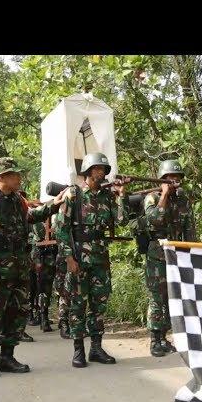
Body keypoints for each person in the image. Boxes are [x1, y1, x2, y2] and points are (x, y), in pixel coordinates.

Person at [0, 157, 65, 379]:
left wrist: (54, 205)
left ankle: (7, 357)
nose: (19, 178)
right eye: (15, 174)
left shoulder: (16, 201)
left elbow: (30, 216)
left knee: (16, 314)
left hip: (19, 270)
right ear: (1, 177)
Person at [55, 152, 129, 368]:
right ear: (87, 172)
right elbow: (61, 229)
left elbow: (122, 220)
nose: (101, 173)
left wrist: (121, 195)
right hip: (79, 257)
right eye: (97, 169)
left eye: (103, 170)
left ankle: (96, 348)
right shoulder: (73, 194)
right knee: (78, 305)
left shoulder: (107, 197)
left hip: (100, 258)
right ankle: (78, 350)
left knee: (99, 304)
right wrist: (69, 258)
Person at [143, 159, 196, 357]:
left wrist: (192, 253)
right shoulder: (151, 197)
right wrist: (164, 195)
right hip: (157, 255)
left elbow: (190, 229)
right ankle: (154, 340)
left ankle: (164, 338)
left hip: (177, 255)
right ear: (163, 179)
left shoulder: (183, 200)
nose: (175, 181)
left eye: (178, 177)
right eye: (171, 177)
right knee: (157, 297)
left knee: (172, 298)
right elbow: (155, 220)